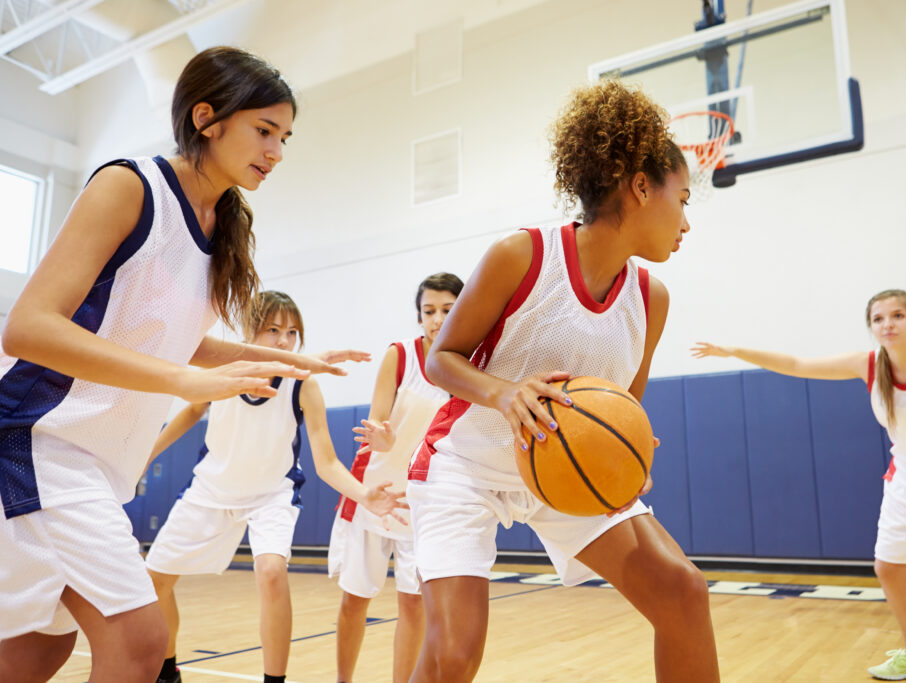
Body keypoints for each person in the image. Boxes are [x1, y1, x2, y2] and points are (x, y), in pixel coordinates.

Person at [0, 46, 364, 683]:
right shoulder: (129, 186)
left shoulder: (219, 225)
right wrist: (180, 382)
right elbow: (27, 328)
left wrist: (283, 358)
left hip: (92, 463)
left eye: (284, 137)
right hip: (40, 444)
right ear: (207, 118)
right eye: (264, 130)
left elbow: (179, 342)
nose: (276, 151)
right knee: (141, 645)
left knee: (35, 651)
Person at [404, 80, 719, 683]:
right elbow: (441, 359)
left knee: (682, 592)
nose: (686, 222)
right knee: (453, 655)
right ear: (641, 186)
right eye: (683, 200)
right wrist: (504, 392)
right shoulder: (522, 256)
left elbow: (624, 403)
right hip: (467, 465)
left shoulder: (651, 298)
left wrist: (628, 451)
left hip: (562, 467)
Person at [692, 288, 906, 682]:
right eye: (878, 319)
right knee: (889, 570)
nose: (888, 324)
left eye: (897, 316)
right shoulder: (869, 365)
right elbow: (796, 362)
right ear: (871, 327)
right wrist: (735, 350)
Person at [146, 291, 406, 683]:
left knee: (271, 570)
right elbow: (190, 411)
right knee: (155, 581)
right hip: (212, 489)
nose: (284, 341)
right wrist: (145, 456)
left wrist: (364, 494)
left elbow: (328, 462)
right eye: (273, 330)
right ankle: (167, 671)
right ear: (250, 331)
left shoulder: (303, 386)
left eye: (291, 332)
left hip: (272, 495)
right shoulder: (225, 370)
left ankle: (274, 680)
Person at [329, 272, 464, 683]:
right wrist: (383, 436)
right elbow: (378, 429)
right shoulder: (400, 355)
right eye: (429, 311)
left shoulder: (469, 364)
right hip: (374, 491)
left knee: (413, 604)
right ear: (419, 316)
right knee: (355, 599)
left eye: (447, 309)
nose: (437, 319)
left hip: (421, 502)